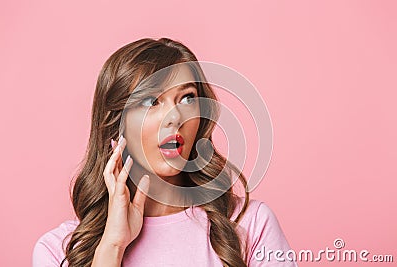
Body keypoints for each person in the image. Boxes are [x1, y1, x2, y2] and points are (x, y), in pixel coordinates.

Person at [33, 38, 297, 267]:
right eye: (151, 101)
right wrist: (112, 247)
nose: (174, 117)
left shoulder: (250, 225)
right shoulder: (58, 251)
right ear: (116, 123)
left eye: (187, 98)